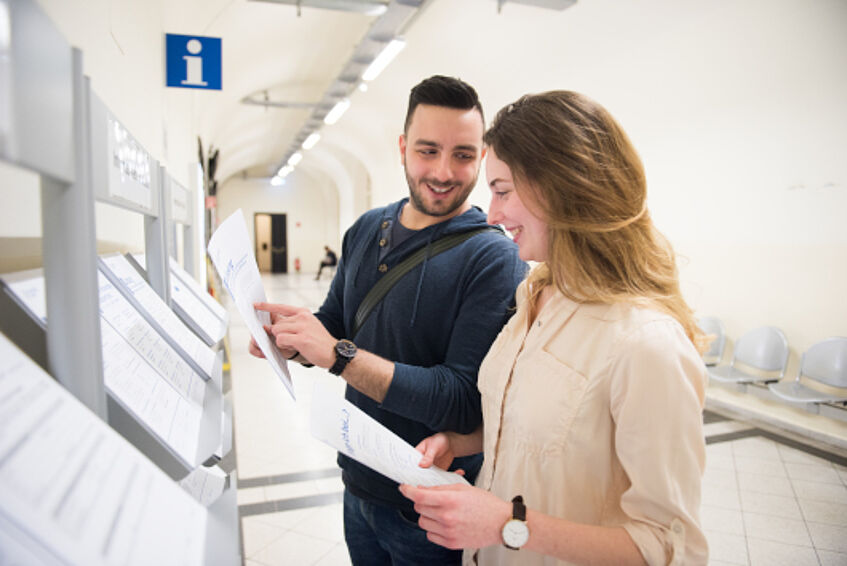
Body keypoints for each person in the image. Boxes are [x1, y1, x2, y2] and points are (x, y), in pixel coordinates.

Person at [400, 91, 710, 565]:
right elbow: (542, 425)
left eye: (503, 190)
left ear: (563, 187)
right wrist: (459, 441)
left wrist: (507, 525)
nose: (494, 213)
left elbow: (668, 548)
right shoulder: (534, 295)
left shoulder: (646, 345)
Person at [249, 75, 526, 565]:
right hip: (357, 484)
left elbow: (462, 400)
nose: (443, 171)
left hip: (430, 509)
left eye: (463, 155)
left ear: (482, 157)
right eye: (427, 150)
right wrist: (290, 340)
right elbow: (335, 321)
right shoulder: (366, 228)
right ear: (402, 147)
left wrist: (338, 357)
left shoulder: (493, 258)